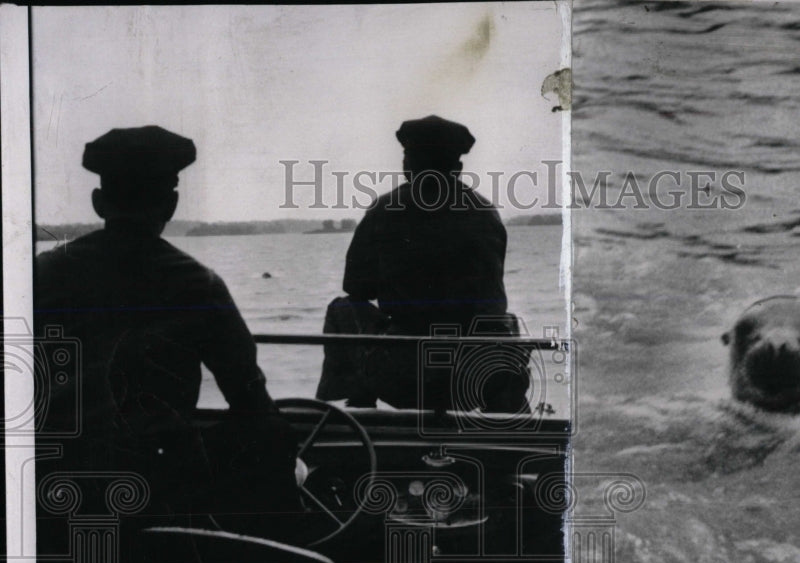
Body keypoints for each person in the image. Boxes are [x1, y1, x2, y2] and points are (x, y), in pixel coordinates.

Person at [34, 126, 299, 524]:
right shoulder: (199, 283)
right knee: (271, 435)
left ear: (98, 202)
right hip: (157, 485)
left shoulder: (40, 273)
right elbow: (249, 399)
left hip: (48, 480)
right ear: (170, 206)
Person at [317, 115, 529, 412]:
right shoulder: (484, 213)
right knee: (506, 322)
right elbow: (492, 304)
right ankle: (507, 420)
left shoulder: (383, 210)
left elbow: (355, 287)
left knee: (342, 308)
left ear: (408, 164)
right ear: (457, 167)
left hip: (401, 375)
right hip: (472, 380)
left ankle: (359, 409)